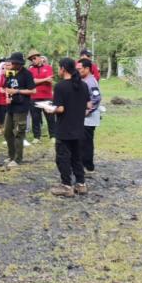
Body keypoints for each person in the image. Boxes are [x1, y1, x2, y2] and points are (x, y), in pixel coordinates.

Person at [50, 58, 91, 197]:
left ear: (63, 68)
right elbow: (88, 105)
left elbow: (60, 109)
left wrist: (51, 109)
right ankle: (81, 184)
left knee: (63, 157)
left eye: (58, 67)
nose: (58, 70)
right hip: (79, 128)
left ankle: (66, 186)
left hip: (64, 128)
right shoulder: (83, 85)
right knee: (77, 157)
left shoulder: (60, 86)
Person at [2, 52, 36, 168]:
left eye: (14, 62)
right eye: (11, 62)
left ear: (19, 63)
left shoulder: (27, 74)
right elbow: (6, 87)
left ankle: (17, 159)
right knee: (7, 132)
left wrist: (17, 92)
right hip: (10, 107)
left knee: (18, 133)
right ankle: (11, 155)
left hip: (21, 107)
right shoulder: (10, 73)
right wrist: (7, 96)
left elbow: (32, 91)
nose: (12, 64)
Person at [78, 59, 102, 173]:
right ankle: (83, 163)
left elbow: (96, 97)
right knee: (82, 141)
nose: (78, 71)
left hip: (89, 118)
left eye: (80, 69)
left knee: (86, 142)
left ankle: (88, 165)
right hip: (84, 118)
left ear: (87, 69)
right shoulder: (84, 80)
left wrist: (89, 110)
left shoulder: (91, 81)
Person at [28, 49, 56, 143]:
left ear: (39, 57)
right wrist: (44, 79)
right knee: (35, 118)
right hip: (34, 97)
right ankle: (37, 137)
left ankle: (53, 136)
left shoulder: (48, 68)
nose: (33, 60)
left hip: (47, 96)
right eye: (31, 59)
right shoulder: (30, 70)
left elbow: (50, 80)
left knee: (50, 117)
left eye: (35, 58)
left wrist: (38, 80)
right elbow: (32, 82)